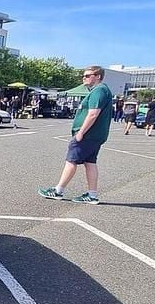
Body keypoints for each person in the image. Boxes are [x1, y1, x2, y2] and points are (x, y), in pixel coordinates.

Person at [38, 66, 113, 205]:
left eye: (87, 75)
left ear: (98, 76)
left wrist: (81, 132)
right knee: (90, 162)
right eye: (84, 75)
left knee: (71, 160)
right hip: (95, 135)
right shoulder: (101, 90)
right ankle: (92, 195)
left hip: (89, 135)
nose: (84, 78)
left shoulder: (99, 90)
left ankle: (58, 190)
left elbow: (93, 113)